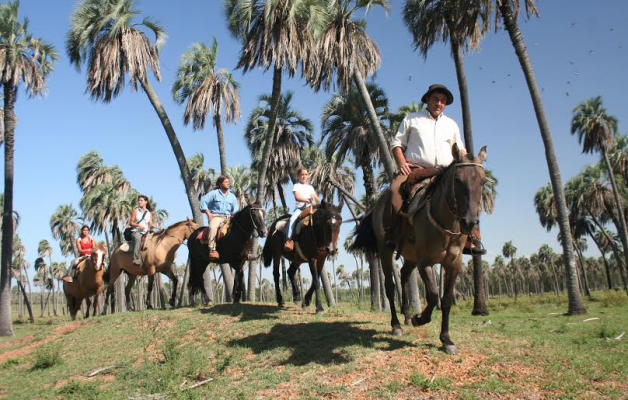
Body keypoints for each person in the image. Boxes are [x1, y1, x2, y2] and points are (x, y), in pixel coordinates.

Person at [390, 83, 486, 255]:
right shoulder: (412, 119)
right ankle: (393, 235)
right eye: (436, 99)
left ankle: (472, 237)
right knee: (395, 190)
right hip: (416, 171)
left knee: (470, 192)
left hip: (445, 172)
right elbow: (397, 144)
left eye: (443, 101)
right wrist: (401, 164)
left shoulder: (451, 124)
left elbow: (461, 151)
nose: (439, 103)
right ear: (427, 99)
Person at [200, 176, 239, 261]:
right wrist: (208, 214)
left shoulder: (232, 196)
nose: (228, 183)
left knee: (241, 227)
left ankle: (245, 250)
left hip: (229, 217)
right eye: (226, 182)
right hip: (216, 216)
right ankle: (212, 249)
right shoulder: (214, 193)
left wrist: (233, 215)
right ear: (220, 184)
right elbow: (203, 202)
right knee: (212, 228)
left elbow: (236, 208)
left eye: (228, 182)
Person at [284, 168, 320, 252]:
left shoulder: (310, 187)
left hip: (311, 207)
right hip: (300, 209)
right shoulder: (296, 186)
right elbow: (297, 197)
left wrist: (314, 196)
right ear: (298, 176)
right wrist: (308, 199)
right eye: (302, 175)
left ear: (308, 176)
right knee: (292, 220)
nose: (304, 176)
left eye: (305, 174)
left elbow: (317, 200)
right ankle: (288, 240)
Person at [129, 194, 154, 265]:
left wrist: (152, 226)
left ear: (146, 202)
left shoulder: (149, 213)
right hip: (136, 231)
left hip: (146, 232)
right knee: (138, 239)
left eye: (141, 200)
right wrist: (138, 225)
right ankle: (135, 259)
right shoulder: (135, 211)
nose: (139, 202)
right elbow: (131, 223)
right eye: (139, 200)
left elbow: (150, 224)